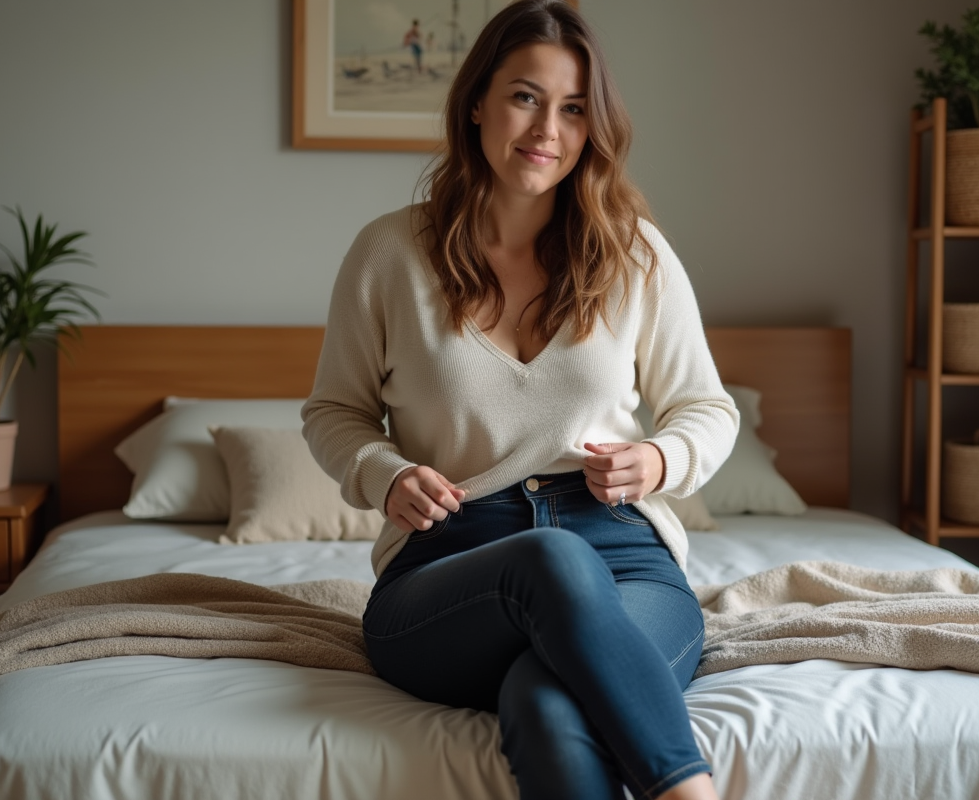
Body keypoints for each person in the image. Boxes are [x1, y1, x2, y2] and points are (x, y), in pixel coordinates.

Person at [302, 2, 736, 798]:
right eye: (526, 97)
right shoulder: (389, 254)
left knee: (544, 700)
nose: (548, 128)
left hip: (627, 564)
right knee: (549, 555)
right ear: (477, 103)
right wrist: (385, 473)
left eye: (575, 108)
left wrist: (660, 458)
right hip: (450, 571)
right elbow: (334, 412)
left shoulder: (634, 254)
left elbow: (707, 409)